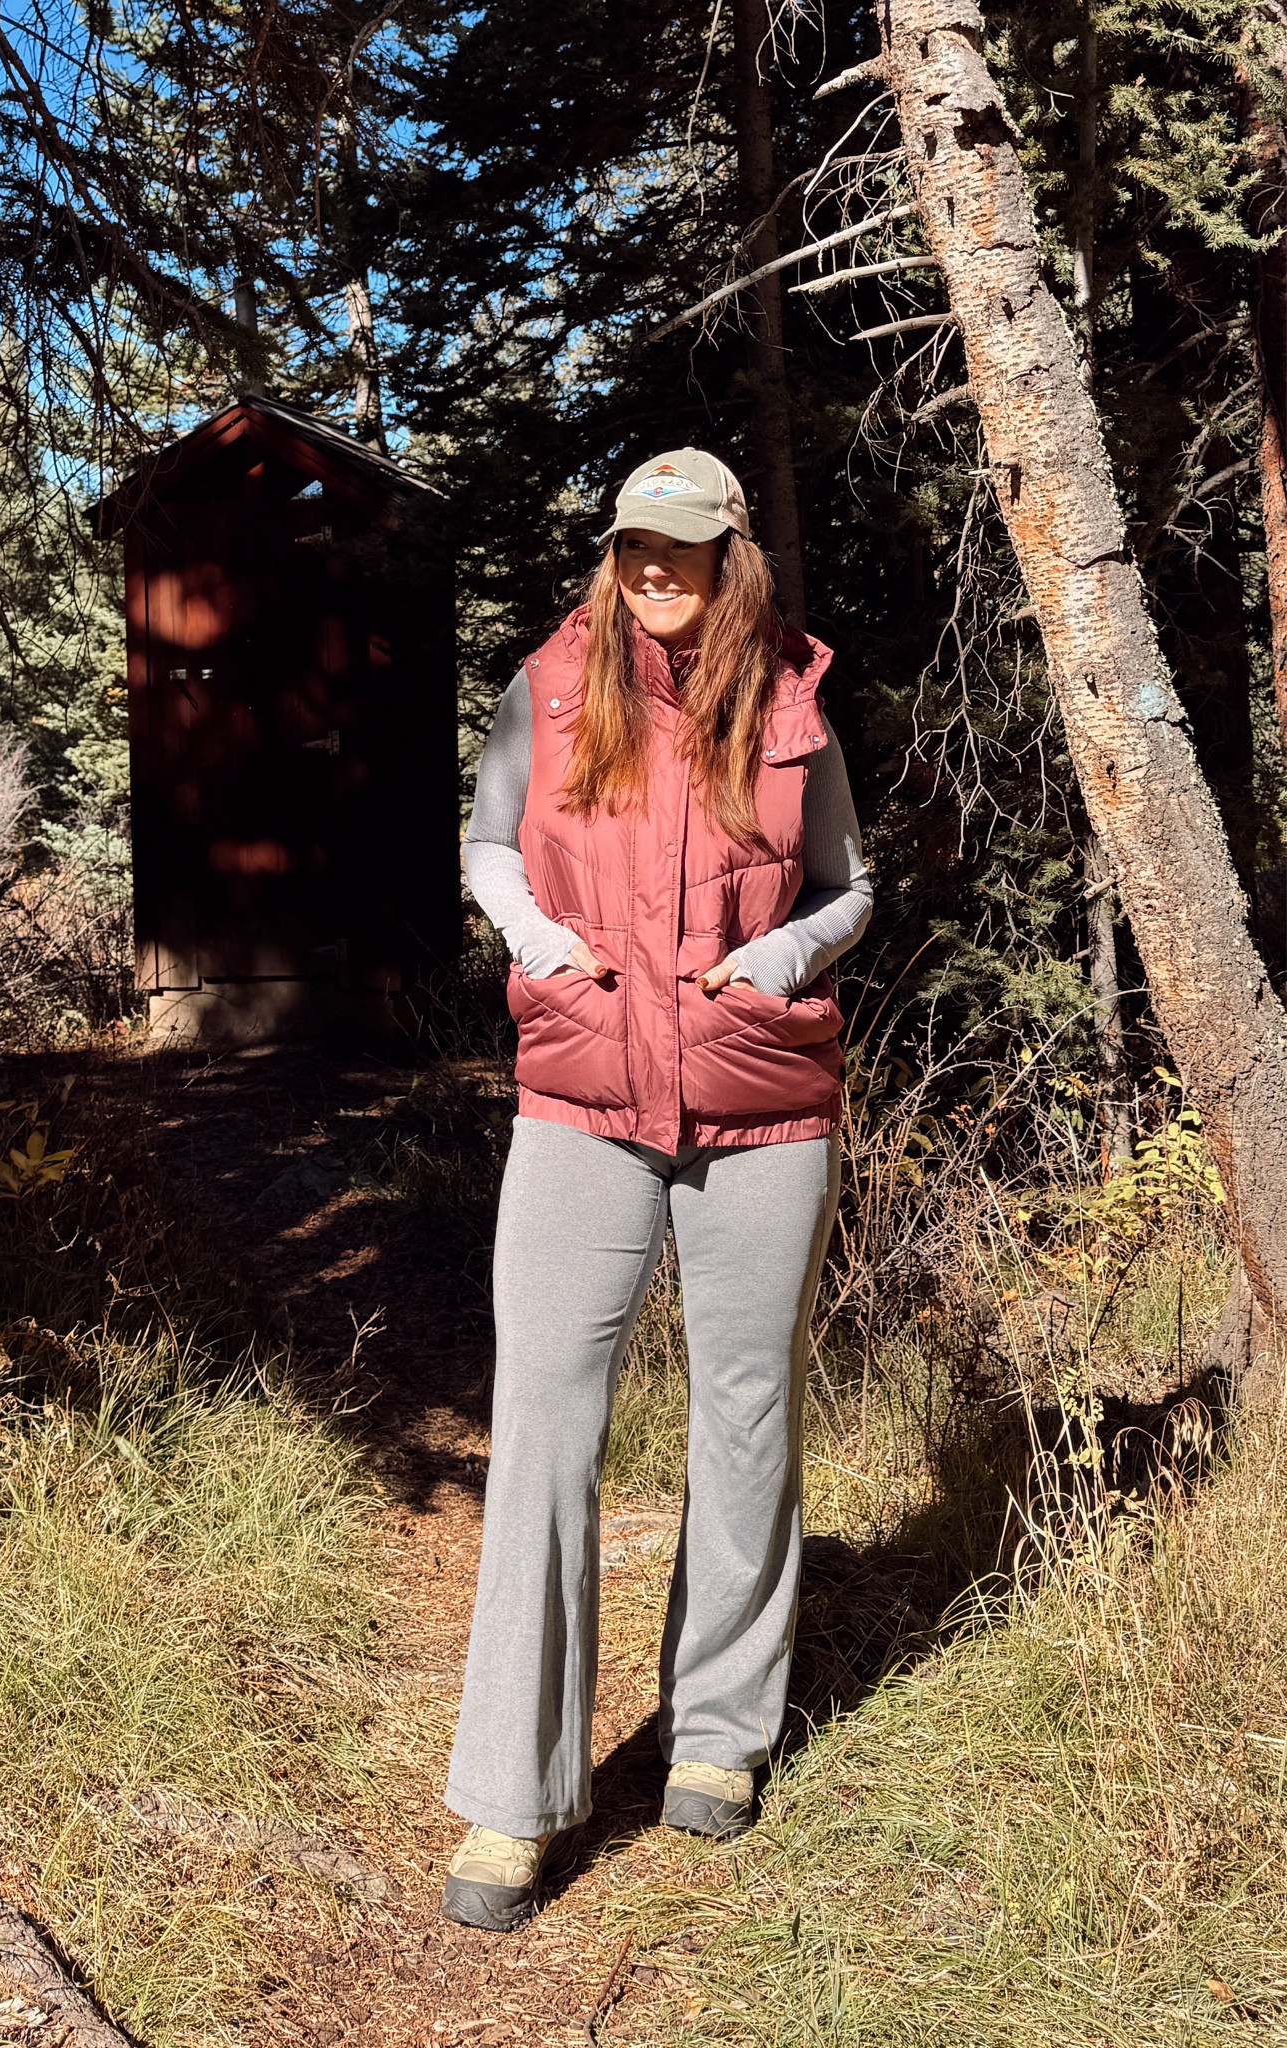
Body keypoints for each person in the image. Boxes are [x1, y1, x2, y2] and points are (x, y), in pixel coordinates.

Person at [440, 448, 873, 1932]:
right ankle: (512, 1797)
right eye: (634, 545)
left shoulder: (795, 700)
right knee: (546, 1421)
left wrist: (780, 959)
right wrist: (536, 937)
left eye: (682, 548)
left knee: (747, 1416)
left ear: (732, 554)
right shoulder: (554, 688)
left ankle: (718, 1734)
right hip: (579, 1096)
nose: (653, 570)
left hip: (761, 1103)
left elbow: (848, 886)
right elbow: (491, 840)